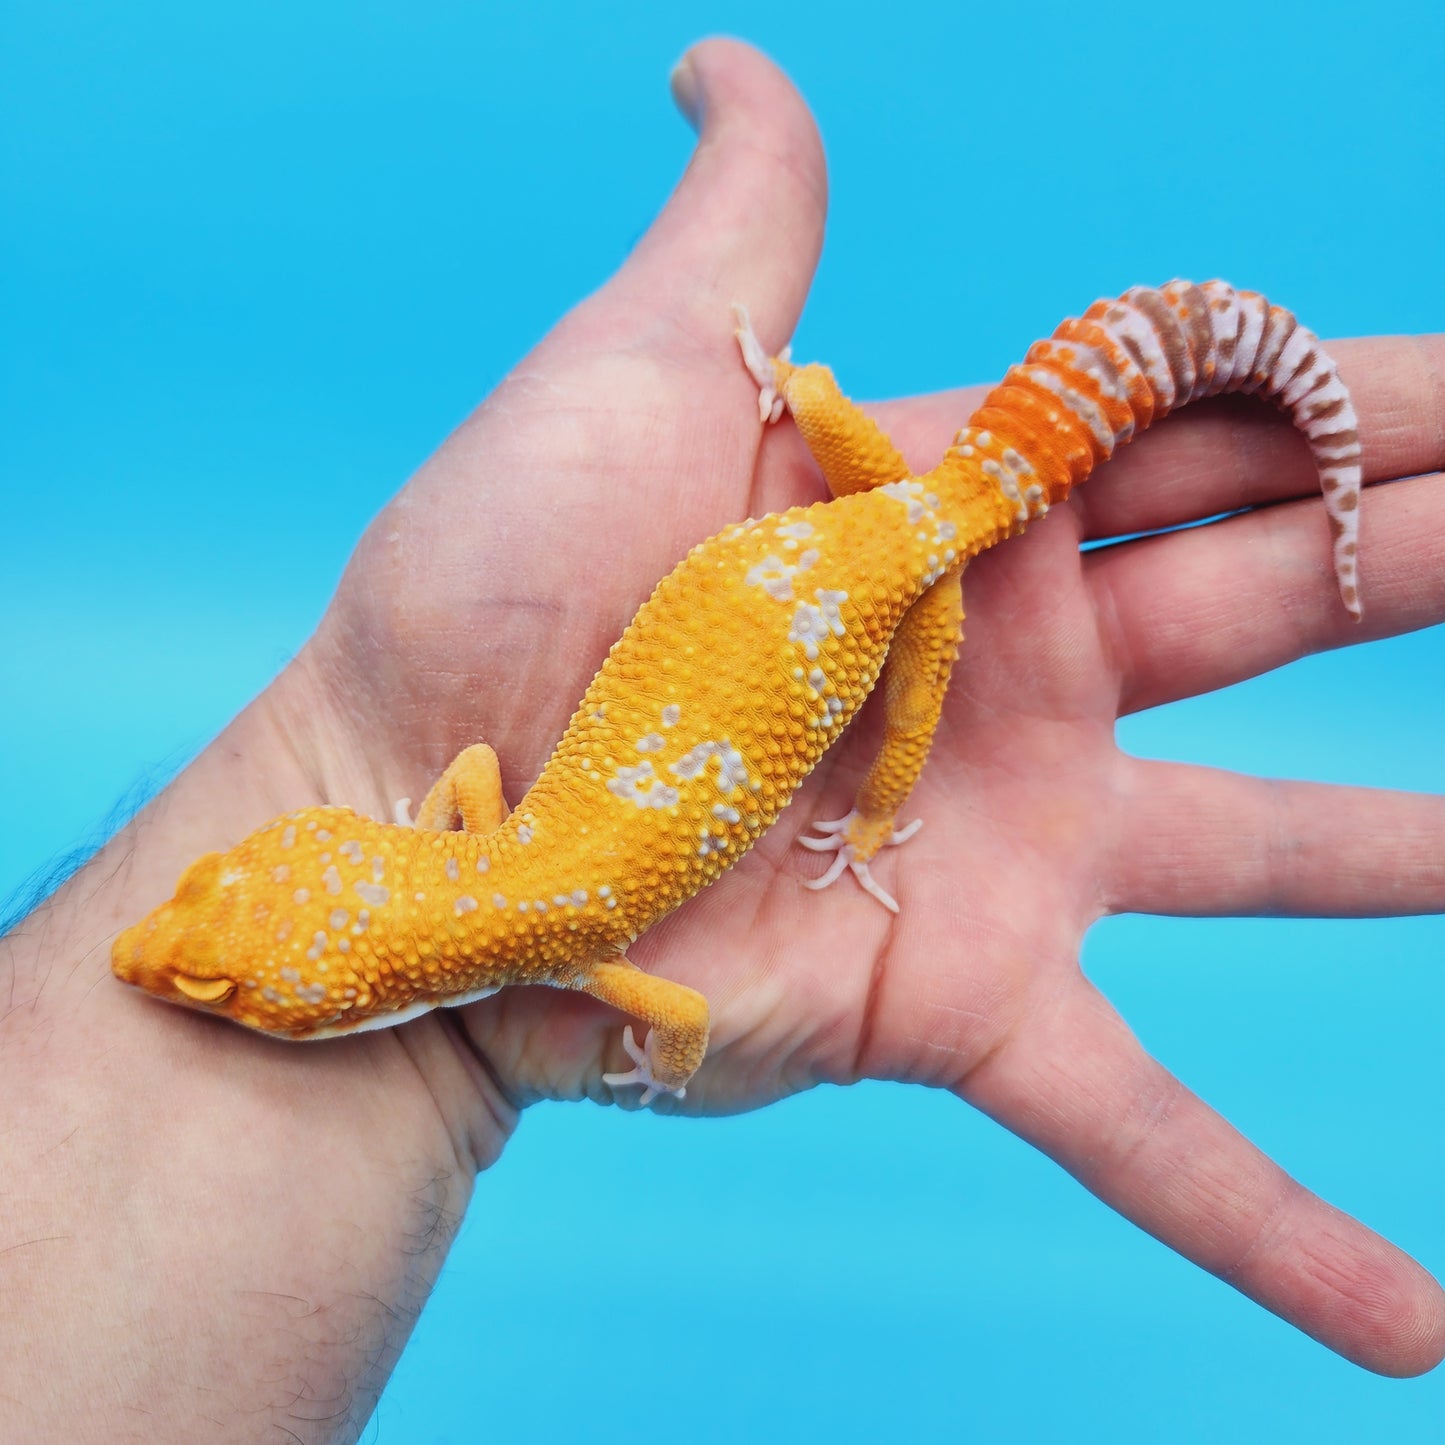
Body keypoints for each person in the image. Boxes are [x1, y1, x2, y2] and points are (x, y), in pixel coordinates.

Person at [2, 37, 1441, 1438]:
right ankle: (929, 421)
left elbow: (673, 1019)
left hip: (898, 561)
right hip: (843, 523)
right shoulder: (511, 876)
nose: (164, 948)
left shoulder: (565, 934)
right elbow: (494, 817)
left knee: (918, 669)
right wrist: (800, 402)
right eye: (218, 954)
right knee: (895, 546)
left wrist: (829, 866)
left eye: (215, 948)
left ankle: (895, 790)